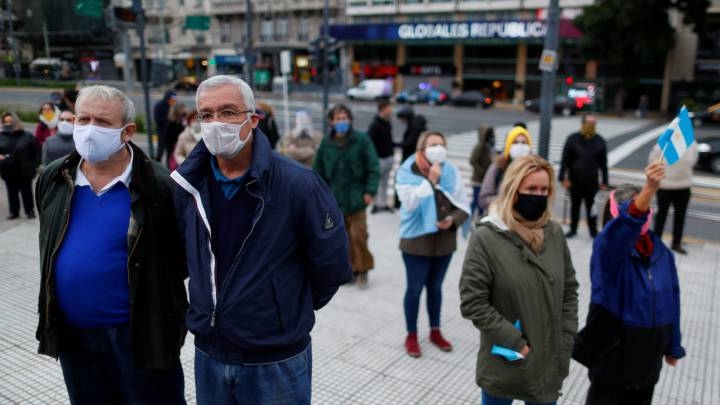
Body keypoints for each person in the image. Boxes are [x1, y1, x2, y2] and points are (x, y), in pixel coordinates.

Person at [171, 75, 351, 404]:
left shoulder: (298, 184)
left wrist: (282, 310)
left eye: (227, 112)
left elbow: (331, 264)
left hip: (275, 359)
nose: (215, 123)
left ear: (253, 120)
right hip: (210, 352)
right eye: (206, 115)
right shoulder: (187, 186)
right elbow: (182, 258)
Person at [35, 85, 189, 404]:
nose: (90, 129)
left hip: (140, 338)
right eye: (83, 118)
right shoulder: (53, 178)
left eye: (102, 122)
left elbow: (181, 261)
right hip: (73, 338)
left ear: (127, 131)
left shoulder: (159, 187)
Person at [460, 154, 579, 405]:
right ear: (514, 191)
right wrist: (516, 343)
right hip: (506, 358)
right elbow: (473, 302)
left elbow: (569, 289)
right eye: (531, 189)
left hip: (548, 361)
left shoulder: (554, 233)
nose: (538, 195)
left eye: (544, 189)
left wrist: (566, 336)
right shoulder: (487, 237)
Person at [573, 162, 685, 405]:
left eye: (647, 208)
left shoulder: (662, 253)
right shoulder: (608, 249)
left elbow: (672, 299)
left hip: (647, 364)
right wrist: (649, 189)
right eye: (637, 210)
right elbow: (625, 226)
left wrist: (673, 344)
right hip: (613, 362)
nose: (644, 214)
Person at [396, 130, 469, 357]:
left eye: (441, 144)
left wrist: (452, 221)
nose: (438, 148)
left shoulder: (452, 171)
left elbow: (464, 205)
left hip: (444, 242)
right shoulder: (408, 171)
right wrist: (431, 180)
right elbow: (410, 204)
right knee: (415, 289)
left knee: (435, 288)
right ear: (422, 149)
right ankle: (411, 334)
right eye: (433, 144)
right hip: (416, 241)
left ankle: (435, 330)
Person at [314, 104, 380, 288]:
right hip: (335, 200)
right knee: (343, 238)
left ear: (349, 120)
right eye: (337, 119)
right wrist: (320, 197)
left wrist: (370, 191)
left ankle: (364, 269)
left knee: (359, 235)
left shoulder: (362, 140)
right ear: (331, 122)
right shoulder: (326, 143)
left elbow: (373, 167)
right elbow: (318, 172)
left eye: (344, 118)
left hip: (357, 198)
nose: (341, 122)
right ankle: (350, 270)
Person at [559, 114, 609, 238]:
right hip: (574, 180)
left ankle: (593, 231)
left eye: (593, 123)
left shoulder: (600, 140)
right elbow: (565, 159)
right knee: (574, 206)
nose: (591, 126)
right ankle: (573, 229)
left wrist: (605, 181)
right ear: (582, 123)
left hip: (592, 181)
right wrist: (562, 177)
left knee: (592, 207)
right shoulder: (572, 139)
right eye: (588, 123)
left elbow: (604, 163)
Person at [648, 143, 698, 255]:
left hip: (684, 185)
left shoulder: (691, 142)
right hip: (665, 185)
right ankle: (656, 243)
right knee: (661, 216)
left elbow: (694, 159)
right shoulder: (663, 143)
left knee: (680, 216)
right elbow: (653, 161)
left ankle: (676, 243)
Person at [478, 125, 532, 212]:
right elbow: (484, 199)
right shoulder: (498, 167)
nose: (520, 146)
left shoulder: (534, 168)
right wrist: (507, 200)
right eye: (515, 142)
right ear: (508, 146)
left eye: (523, 142)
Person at [0, 112, 39, 219]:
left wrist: (33, 166)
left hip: (24, 171)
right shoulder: (1, 136)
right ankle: (14, 212)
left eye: (10, 121)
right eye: (5, 122)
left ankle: (30, 211)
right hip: (8, 170)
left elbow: (36, 152)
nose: (8, 124)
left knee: (27, 192)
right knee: (11, 193)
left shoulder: (27, 136)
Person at [367, 100, 395, 213]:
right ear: (382, 109)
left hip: (388, 156)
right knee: (377, 183)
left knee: (385, 182)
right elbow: (370, 142)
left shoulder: (387, 122)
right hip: (379, 158)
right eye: (389, 108)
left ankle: (383, 204)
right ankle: (376, 204)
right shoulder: (375, 125)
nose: (391, 110)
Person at [469, 125, 496, 218]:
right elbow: (473, 160)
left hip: (484, 180)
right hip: (478, 181)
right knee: (476, 200)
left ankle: (478, 215)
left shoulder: (489, 147)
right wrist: (483, 172)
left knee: (479, 201)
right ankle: (470, 215)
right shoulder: (480, 146)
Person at [153, 90, 177, 162]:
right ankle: (157, 165)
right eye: (172, 100)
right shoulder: (159, 105)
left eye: (174, 100)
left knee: (170, 152)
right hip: (162, 131)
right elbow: (158, 119)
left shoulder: (173, 106)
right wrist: (168, 118)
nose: (173, 101)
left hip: (170, 133)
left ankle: (168, 169)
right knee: (160, 151)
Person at [164, 104, 187, 170]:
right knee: (172, 162)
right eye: (182, 110)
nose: (183, 112)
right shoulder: (172, 122)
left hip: (177, 144)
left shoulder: (181, 120)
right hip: (172, 145)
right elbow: (169, 135)